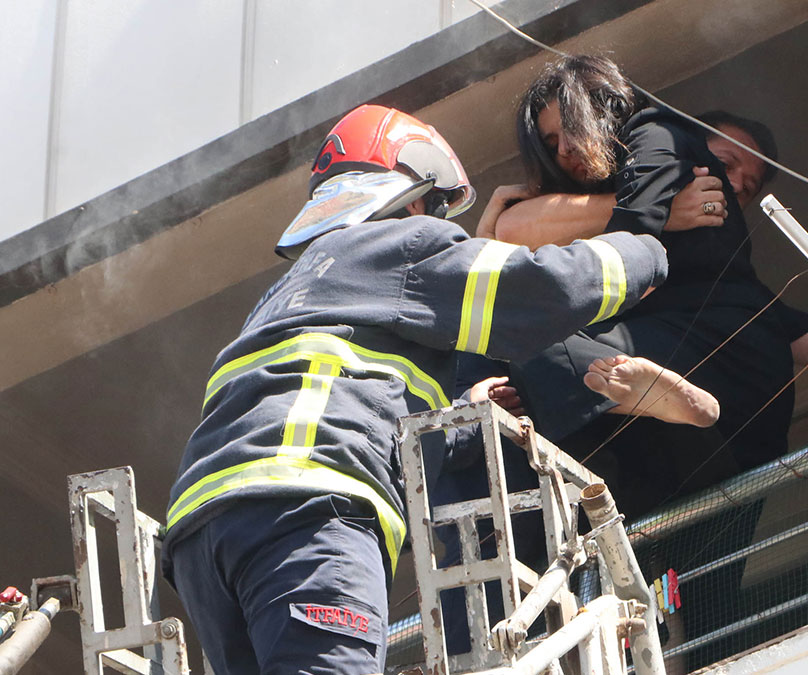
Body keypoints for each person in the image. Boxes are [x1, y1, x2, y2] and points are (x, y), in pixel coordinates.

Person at [160, 104, 673, 675]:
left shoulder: (287, 294)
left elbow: (357, 420)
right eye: (434, 209)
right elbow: (539, 291)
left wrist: (456, 424)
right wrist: (644, 248)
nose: (438, 226)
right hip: (306, 513)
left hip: (200, 540)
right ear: (410, 196)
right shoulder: (397, 244)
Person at [476, 56, 808, 512]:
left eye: (751, 181)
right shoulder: (667, 147)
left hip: (720, 392)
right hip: (686, 445)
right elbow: (516, 228)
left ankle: (655, 398)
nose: (737, 184)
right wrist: (665, 213)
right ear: (696, 155)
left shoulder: (738, 293)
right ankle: (653, 403)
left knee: (526, 337)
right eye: (726, 165)